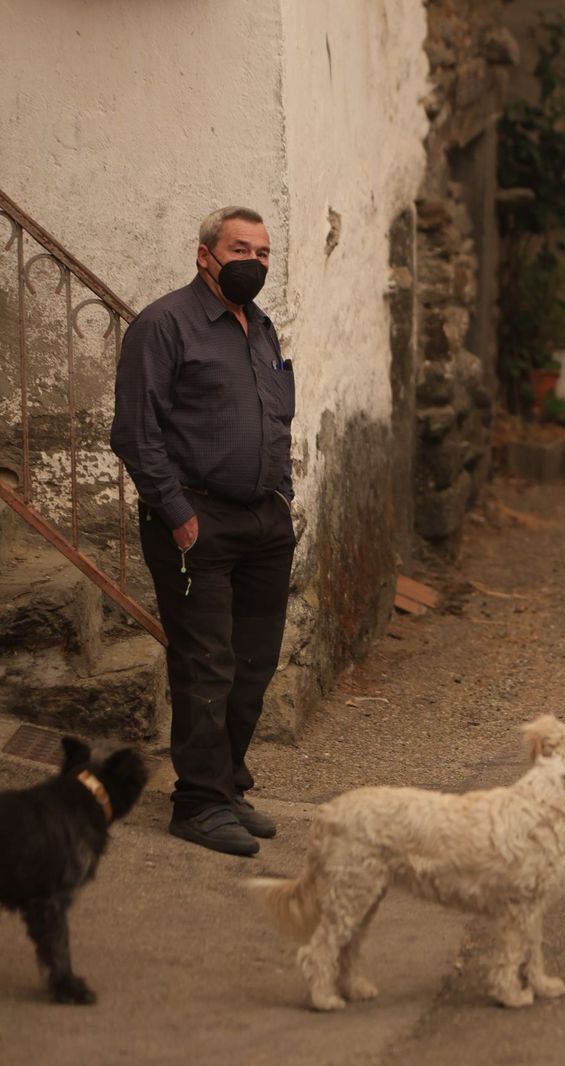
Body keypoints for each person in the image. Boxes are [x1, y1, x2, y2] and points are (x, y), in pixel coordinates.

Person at [111, 206, 295, 856]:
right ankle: (196, 803)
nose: (254, 261)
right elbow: (135, 432)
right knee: (206, 664)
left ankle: (225, 786)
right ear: (205, 256)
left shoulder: (262, 329)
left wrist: (284, 498)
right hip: (195, 520)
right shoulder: (164, 326)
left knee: (253, 663)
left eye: (264, 252)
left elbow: (276, 419)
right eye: (240, 248)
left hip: (265, 519)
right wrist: (177, 513)